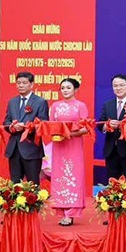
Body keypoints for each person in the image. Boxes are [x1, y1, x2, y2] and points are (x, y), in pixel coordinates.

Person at [49, 78, 89, 226]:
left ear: (76, 89)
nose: (65, 90)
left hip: (74, 144)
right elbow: (51, 125)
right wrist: (55, 132)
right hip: (59, 145)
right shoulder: (55, 106)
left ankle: (71, 213)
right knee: (59, 175)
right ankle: (62, 211)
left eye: (68, 87)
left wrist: (70, 134)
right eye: (63, 88)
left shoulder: (81, 106)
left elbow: (86, 128)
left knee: (73, 174)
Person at [4, 71, 49, 184]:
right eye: (18, 83)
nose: (21, 85)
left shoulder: (40, 102)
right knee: (15, 184)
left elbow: (43, 123)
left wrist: (25, 127)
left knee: (32, 184)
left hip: (31, 149)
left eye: (24, 83)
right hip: (14, 149)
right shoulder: (12, 102)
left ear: (31, 84)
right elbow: (6, 121)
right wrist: (12, 127)